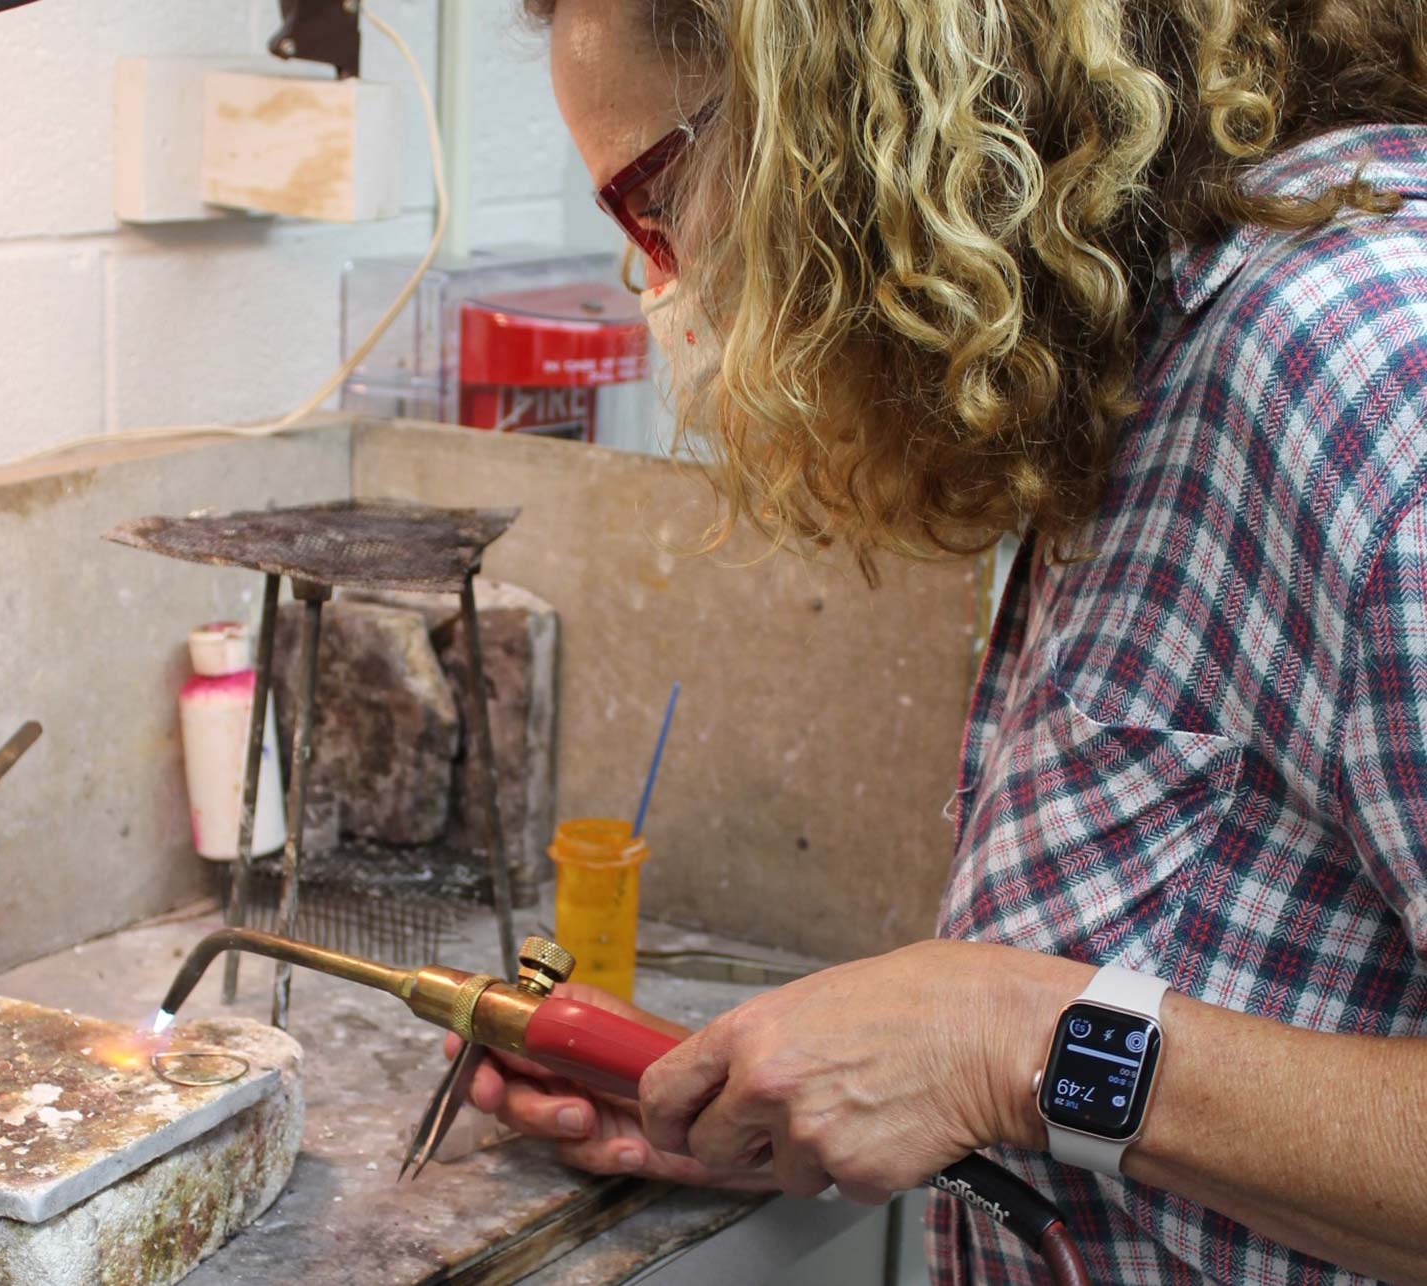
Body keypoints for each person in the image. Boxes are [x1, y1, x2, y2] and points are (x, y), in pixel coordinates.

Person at [454, 2, 1427, 1281]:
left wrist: (1007, 1040)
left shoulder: (1367, 370)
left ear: (839, 110)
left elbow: (1034, 1047)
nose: (662, 277)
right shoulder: (1145, 366)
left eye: (658, 198)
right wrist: (802, 1096)